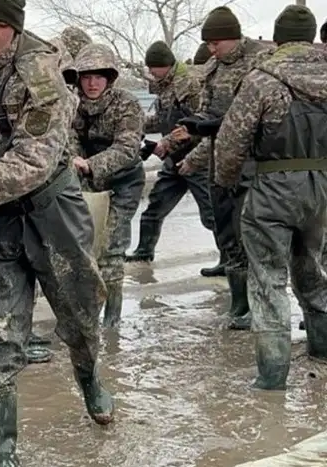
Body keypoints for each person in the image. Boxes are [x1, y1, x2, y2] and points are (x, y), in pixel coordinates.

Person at [0, 0, 115, 467]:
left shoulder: (41, 72)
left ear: (16, 28)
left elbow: (32, 162)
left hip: (50, 210)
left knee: (79, 316)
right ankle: (5, 448)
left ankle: (90, 379)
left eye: (1, 24)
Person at [214, 4, 327, 390]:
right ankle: (322, 352)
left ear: (277, 38)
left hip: (274, 188)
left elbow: (231, 143)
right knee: (313, 270)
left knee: (268, 281)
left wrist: (227, 182)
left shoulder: (262, 80)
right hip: (323, 187)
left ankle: (272, 378)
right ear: (312, 36)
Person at [174, 6, 270, 330]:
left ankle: (261, 307)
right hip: (220, 161)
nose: (211, 49)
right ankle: (239, 305)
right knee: (227, 234)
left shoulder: (261, 60)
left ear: (233, 36)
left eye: (216, 42)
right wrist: (196, 128)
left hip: (253, 163)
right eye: (209, 44)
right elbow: (206, 115)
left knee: (251, 236)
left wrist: (219, 124)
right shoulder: (212, 69)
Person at [69, 43, 146, 327]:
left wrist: (91, 164)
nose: (92, 83)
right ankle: (86, 312)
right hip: (87, 184)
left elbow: (128, 148)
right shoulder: (71, 105)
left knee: (112, 249)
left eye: (99, 77)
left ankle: (112, 319)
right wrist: (75, 160)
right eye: (86, 77)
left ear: (109, 78)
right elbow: (68, 140)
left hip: (123, 182)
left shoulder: (126, 104)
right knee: (84, 247)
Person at [126, 41, 213, 263]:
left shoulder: (189, 86)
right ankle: (144, 251)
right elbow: (164, 120)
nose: (150, 73)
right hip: (174, 162)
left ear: (164, 65)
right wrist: (136, 124)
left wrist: (165, 144)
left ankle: (231, 259)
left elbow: (197, 124)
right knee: (155, 207)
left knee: (213, 214)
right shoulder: (166, 86)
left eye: (153, 67)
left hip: (197, 161)